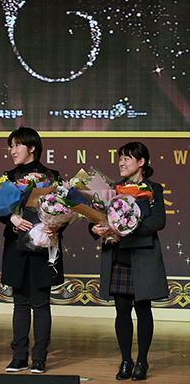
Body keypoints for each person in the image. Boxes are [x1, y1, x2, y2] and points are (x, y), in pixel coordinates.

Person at [89, 142, 167, 381]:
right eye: (120, 158)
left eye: (127, 158)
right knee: (121, 310)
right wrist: (95, 227)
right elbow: (96, 220)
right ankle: (126, 361)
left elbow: (158, 221)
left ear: (141, 161)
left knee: (143, 309)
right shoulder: (112, 189)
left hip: (142, 255)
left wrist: (128, 227)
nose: (121, 162)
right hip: (118, 256)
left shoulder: (154, 189)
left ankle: (142, 362)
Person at [1, 127, 63, 374]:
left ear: (32, 147)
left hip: (42, 245)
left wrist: (57, 225)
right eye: (11, 146)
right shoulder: (7, 177)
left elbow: (65, 210)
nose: (12, 150)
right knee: (20, 302)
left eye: (16, 145)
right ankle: (18, 357)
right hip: (16, 246)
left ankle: (39, 357)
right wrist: (11, 219)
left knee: (41, 302)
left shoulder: (52, 176)